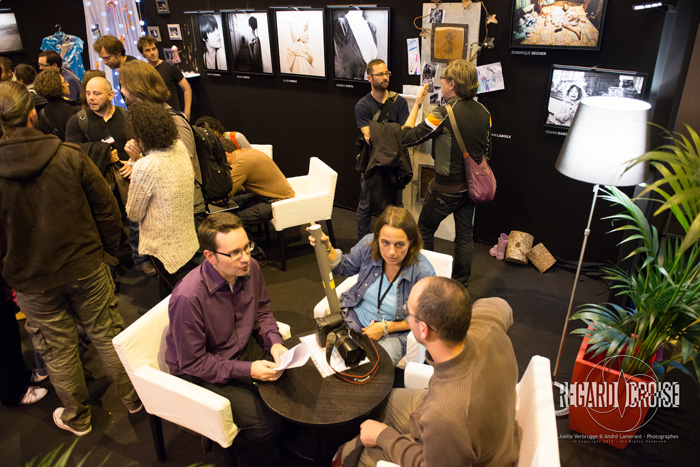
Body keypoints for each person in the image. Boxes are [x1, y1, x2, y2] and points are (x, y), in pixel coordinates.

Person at [0, 81, 141, 436]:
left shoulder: (68, 154)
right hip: (86, 267)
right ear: (33, 114)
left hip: (31, 281)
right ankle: (134, 399)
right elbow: (108, 211)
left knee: (57, 350)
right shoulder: (69, 155)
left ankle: (77, 417)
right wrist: (110, 254)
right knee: (107, 335)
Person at [334, 276, 520, 466]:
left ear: (423, 329)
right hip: (456, 413)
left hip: (458, 447)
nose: (406, 315)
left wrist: (383, 436)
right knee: (378, 402)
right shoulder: (488, 326)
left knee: (358, 457)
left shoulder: (447, 416)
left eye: (408, 312)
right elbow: (501, 305)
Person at [165, 212, 287, 466]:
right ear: (210, 256)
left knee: (295, 384)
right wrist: (248, 370)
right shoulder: (188, 298)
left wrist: (274, 342)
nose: (246, 258)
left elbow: (262, 310)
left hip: (240, 347)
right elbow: (193, 362)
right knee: (268, 424)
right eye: (234, 253)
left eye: (247, 247)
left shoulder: (251, 268)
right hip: (202, 371)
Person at [402, 59, 492, 288]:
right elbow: (486, 151)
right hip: (471, 187)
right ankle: (460, 284)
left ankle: (428, 280)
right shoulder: (484, 112)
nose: (441, 85)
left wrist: (417, 105)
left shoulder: (443, 112)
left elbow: (408, 138)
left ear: (451, 83)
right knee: (464, 236)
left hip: (446, 187)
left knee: (424, 229)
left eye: (443, 80)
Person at [309, 206, 435, 366]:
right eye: (385, 243)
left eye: (399, 245)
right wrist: (327, 249)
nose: (391, 252)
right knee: (327, 356)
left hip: (394, 331)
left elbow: (424, 319)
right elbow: (345, 267)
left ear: (411, 242)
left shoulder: (423, 272)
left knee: (375, 367)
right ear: (377, 238)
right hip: (355, 317)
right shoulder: (369, 246)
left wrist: (384, 327)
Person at [65, 75, 156, 278]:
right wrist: (103, 153)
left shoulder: (126, 117)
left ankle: (141, 258)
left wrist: (135, 163)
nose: (91, 98)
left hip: (130, 179)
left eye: (96, 93)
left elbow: (145, 146)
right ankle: (110, 264)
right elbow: (71, 152)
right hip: (97, 183)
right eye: (88, 93)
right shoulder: (78, 121)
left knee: (136, 220)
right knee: (103, 225)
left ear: (111, 94)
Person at [125, 101, 200, 297]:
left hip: (163, 248)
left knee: (175, 298)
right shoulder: (179, 148)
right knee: (188, 291)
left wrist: (134, 161)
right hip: (186, 239)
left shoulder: (146, 166)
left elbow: (133, 212)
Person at [119, 59, 206, 226]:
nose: (121, 90)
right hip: (166, 209)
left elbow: (185, 171)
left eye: (123, 85)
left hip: (185, 211)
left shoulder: (174, 122)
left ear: (136, 88)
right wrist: (136, 159)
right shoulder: (147, 121)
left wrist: (141, 163)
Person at [355, 59, 410, 239]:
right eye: (380, 74)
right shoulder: (362, 106)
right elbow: (370, 138)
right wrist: (392, 132)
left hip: (395, 163)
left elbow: (404, 134)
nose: (385, 77)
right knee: (366, 205)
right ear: (369, 77)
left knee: (397, 206)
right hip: (372, 162)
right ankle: (363, 244)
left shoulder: (399, 102)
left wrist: (384, 133)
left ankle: (398, 239)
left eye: (387, 73)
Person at [226, 143, 295, 228]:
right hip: (265, 196)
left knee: (232, 222)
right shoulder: (246, 153)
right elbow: (243, 187)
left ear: (225, 154)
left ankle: (248, 241)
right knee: (232, 203)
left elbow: (226, 192)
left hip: (277, 201)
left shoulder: (242, 161)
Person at [137, 35, 192, 120]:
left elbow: (187, 89)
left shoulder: (170, 67)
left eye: (154, 49)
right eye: (148, 50)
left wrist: (187, 114)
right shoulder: (143, 71)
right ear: (142, 54)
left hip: (173, 116)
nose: (152, 53)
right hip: (155, 117)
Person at [33, 68, 79, 141]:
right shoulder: (74, 110)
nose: (67, 84)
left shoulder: (41, 114)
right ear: (57, 87)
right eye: (64, 82)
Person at [93, 35, 138, 108]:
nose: (104, 62)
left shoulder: (133, 69)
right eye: (102, 58)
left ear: (118, 53)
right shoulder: (125, 68)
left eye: (107, 58)